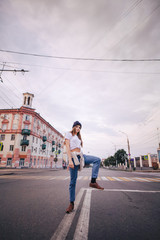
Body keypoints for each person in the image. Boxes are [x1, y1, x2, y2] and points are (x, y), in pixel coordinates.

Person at [65, 121, 104, 214]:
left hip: (81, 156)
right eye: (77, 127)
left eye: (80, 127)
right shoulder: (69, 134)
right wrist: (69, 161)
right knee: (72, 182)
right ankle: (71, 203)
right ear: (73, 126)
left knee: (97, 160)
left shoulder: (78, 137)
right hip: (73, 159)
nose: (78, 129)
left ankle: (93, 182)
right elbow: (67, 147)